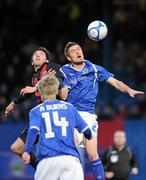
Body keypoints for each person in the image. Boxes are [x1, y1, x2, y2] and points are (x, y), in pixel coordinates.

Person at [59, 41, 144, 180]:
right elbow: (62, 96)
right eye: (73, 51)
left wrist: (128, 89)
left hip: (88, 116)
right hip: (71, 115)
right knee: (70, 155)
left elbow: (115, 82)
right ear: (69, 57)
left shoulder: (94, 68)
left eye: (78, 49)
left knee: (93, 154)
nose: (77, 52)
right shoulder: (64, 71)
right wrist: (63, 87)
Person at [22, 75, 92, 180]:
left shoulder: (36, 111)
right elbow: (87, 132)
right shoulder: (70, 108)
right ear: (56, 91)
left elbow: (33, 131)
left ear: (40, 92)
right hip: (70, 160)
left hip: (47, 160)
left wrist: (27, 151)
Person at [4, 47, 62, 168]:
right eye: (35, 53)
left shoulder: (52, 67)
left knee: (56, 154)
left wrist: (36, 88)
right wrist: (14, 103)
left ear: (46, 60)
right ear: (31, 62)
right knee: (17, 148)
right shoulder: (35, 78)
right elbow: (28, 92)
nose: (38, 54)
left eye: (41, 54)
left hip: (55, 114)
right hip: (41, 117)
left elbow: (59, 84)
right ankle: (41, 168)